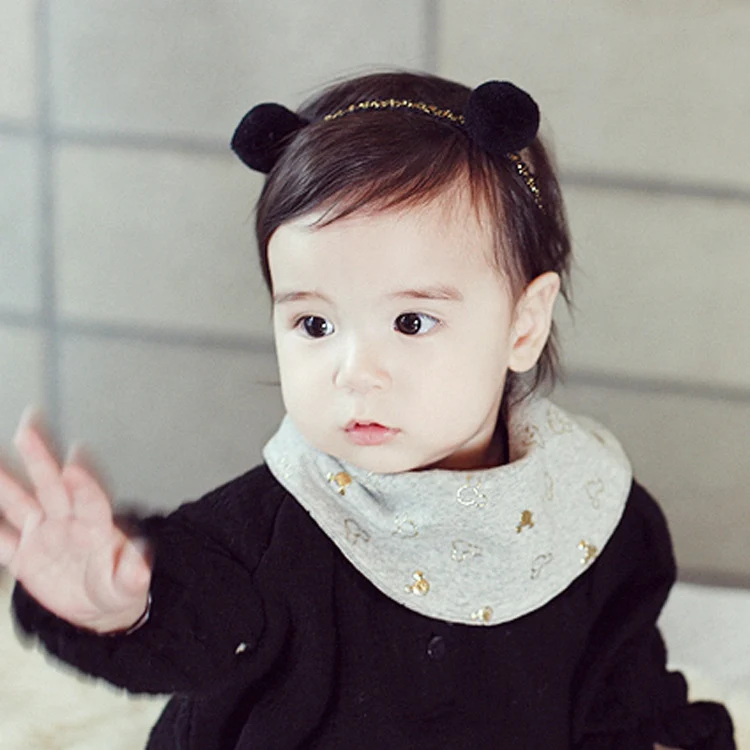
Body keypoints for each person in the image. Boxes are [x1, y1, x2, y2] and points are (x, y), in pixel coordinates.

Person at [0, 71, 735, 749]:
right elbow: (189, 619)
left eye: (412, 322)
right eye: (314, 324)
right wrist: (117, 608)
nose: (355, 373)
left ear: (523, 324)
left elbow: (622, 697)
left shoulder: (589, 509)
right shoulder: (268, 531)